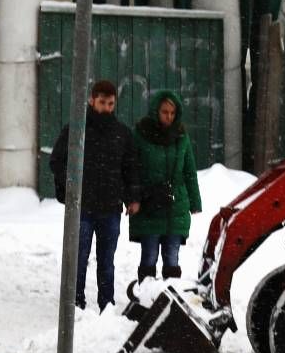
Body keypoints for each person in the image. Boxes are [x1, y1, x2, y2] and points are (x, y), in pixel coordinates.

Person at [49, 79, 138, 311]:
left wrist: (131, 198)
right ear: (91, 100)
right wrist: (67, 191)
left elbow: (130, 169)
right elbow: (57, 161)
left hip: (110, 208)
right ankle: (74, 302)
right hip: (83, 207)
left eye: (110, 103)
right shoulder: (77, 130)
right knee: (79, 258)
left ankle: (106, 304)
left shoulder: (121, 134)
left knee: (106, 262)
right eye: (102, 102)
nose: (106, 108)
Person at [128, 90, 202, 282]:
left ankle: (170, 298)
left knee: (172, 258)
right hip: (150, 204)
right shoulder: (141, 134)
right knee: (149, 256)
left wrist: (195, 202)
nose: (169, 117)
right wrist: (134, 197)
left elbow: (189, 171)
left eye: (172, 113)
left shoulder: (181, 137)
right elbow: (132, 168)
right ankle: (146, 298)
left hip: (175, 205)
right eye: (164, 112)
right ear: (156, 111)